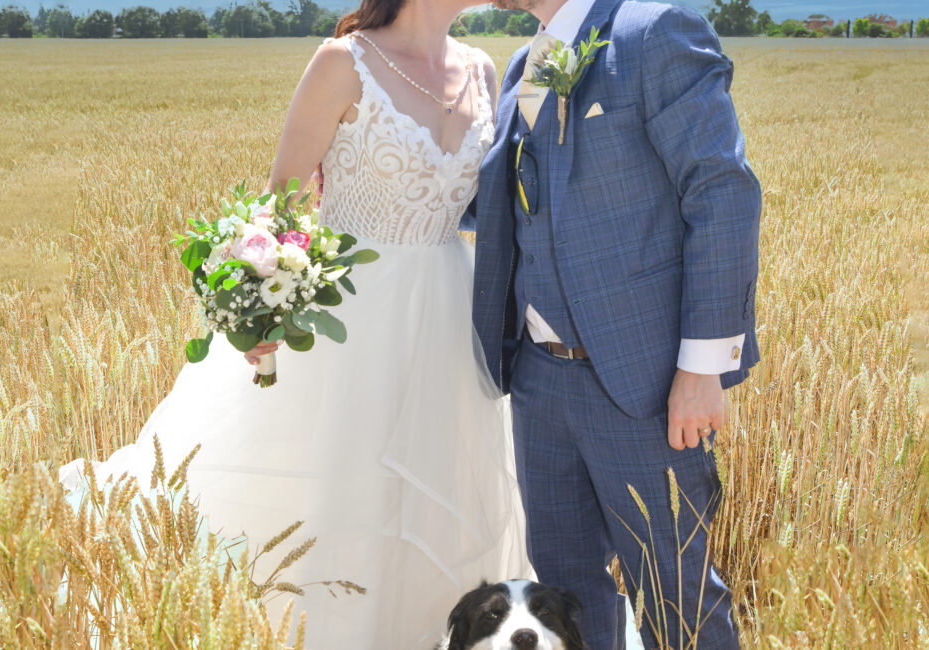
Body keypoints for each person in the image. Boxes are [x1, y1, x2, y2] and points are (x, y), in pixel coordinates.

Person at [59, 0, 530, 644]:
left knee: (434, 498)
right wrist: (262, 313)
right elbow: (278, 204)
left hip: (450, 320)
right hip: (348, 320)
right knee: (343, 497)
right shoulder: (345, 62)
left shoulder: (483, 70)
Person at [465, 0, 763, 645]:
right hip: (540, 381)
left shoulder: (656, 31)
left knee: (672, 592)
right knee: (565, 592)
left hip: (644, 383)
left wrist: (701, 368)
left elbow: (722, 192)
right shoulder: (528, 60)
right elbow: (517, 199)